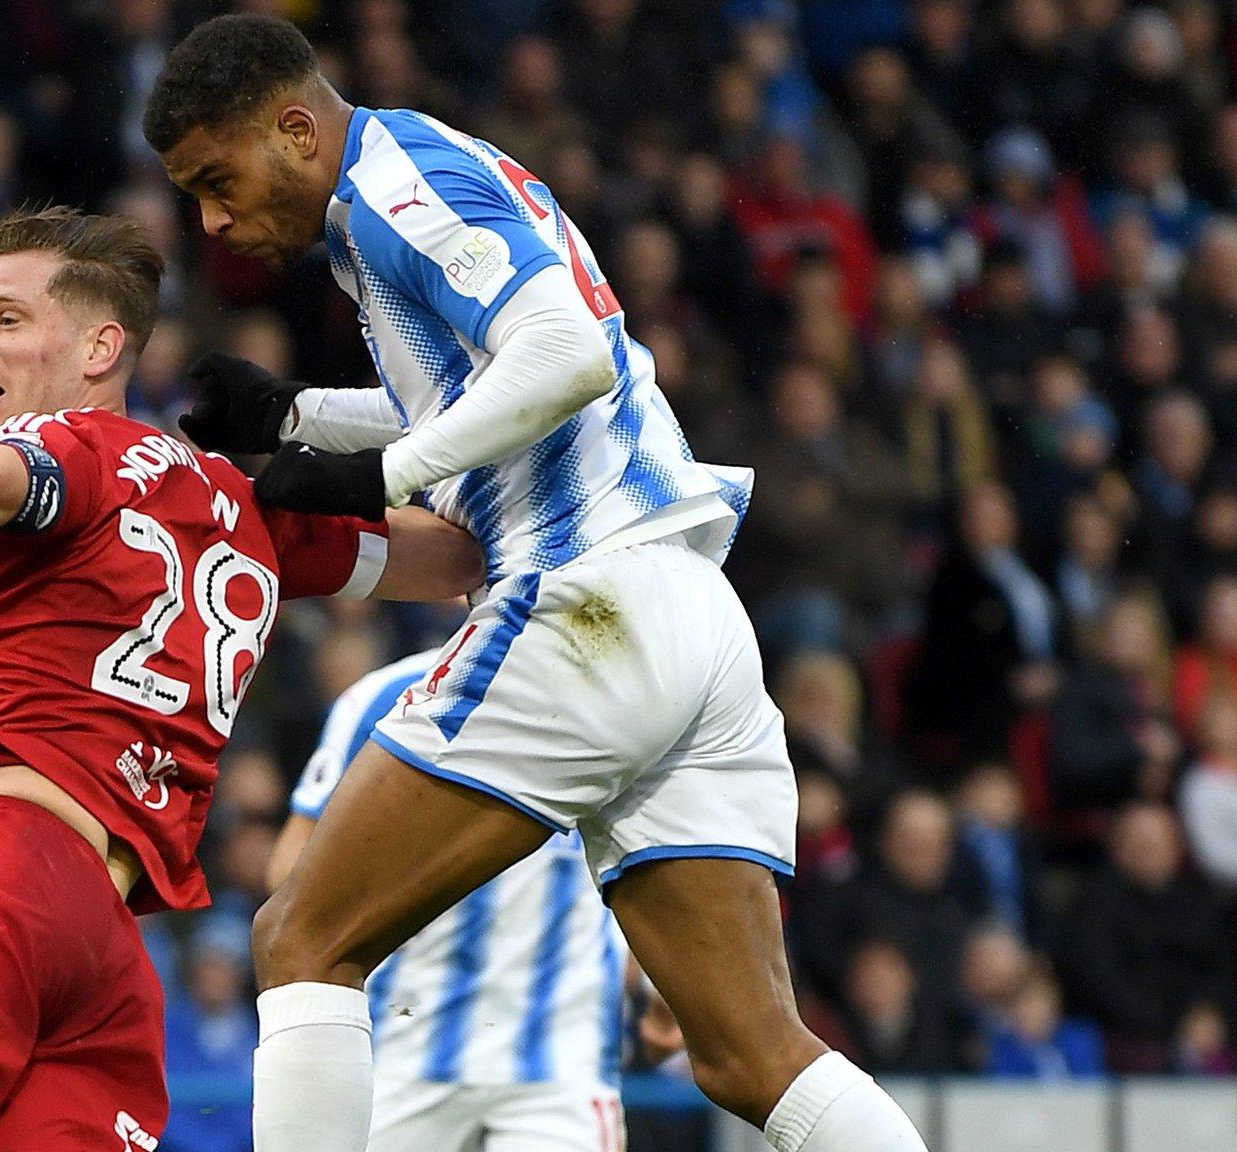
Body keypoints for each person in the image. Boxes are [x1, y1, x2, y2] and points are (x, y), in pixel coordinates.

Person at [144, 15, 931, 1152]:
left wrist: (382, 475)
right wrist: (295, 416)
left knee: (301, 937)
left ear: (297, 128)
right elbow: (495, 380)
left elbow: (562, 354)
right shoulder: (410, 194)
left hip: (584, 599)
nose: (212, 219)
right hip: (688, 616)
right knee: (750, 1052)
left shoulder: (395, 179)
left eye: (218, 180)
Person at [0, 206, 485, 1152]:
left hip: (1, 878)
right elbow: (460, 558)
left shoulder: (71, 448)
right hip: (108, 953)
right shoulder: (248, 510)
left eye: (7, 319)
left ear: (103, 345)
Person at [268, 648, 681, 1152]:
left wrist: (663, 980)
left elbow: (645, 861)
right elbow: (291, 872)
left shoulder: (629, 705)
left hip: (561, 1061)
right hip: (401, 1046)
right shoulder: (384, 697)